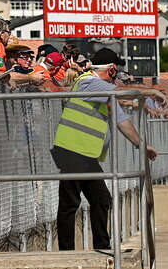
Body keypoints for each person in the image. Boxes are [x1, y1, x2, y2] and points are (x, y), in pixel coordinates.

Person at [49, 47, 157, 251]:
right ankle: (66, 252)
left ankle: (103, 246)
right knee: (70, 202)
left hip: (86, 154)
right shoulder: (88, 81)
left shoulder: (106, 92)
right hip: (72, 149)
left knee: (101, 199)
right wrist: (149, 91)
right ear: (112, 69)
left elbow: (121, 121)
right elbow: (117, 92)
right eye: (119, 72)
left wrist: (141, 145)